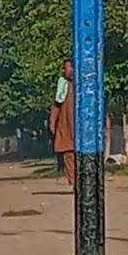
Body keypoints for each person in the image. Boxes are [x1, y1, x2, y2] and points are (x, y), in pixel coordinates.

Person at [48, 59, 76, 188]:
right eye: (66, 68)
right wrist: (53, 121)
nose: (68, 70)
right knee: (68, 154)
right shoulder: (63, 85)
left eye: (70, 67)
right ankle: (73, 182)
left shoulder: (84, 86)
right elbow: (57, 104)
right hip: (65, 125)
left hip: (80, 127)